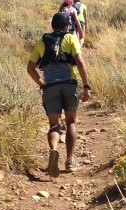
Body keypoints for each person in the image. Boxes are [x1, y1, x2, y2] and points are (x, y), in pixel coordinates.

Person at [26, 12, 91, 176]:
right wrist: (86, 86)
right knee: (71, 122)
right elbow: (80, 61)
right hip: (69, 84)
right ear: (66, 26)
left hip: (50, 87)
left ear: (52, 25)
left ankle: (54, 150)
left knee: (54, 125)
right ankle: (69, 160)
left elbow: (30, 68)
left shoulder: (42, 42)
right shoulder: (70, 38)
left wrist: (42, 84)